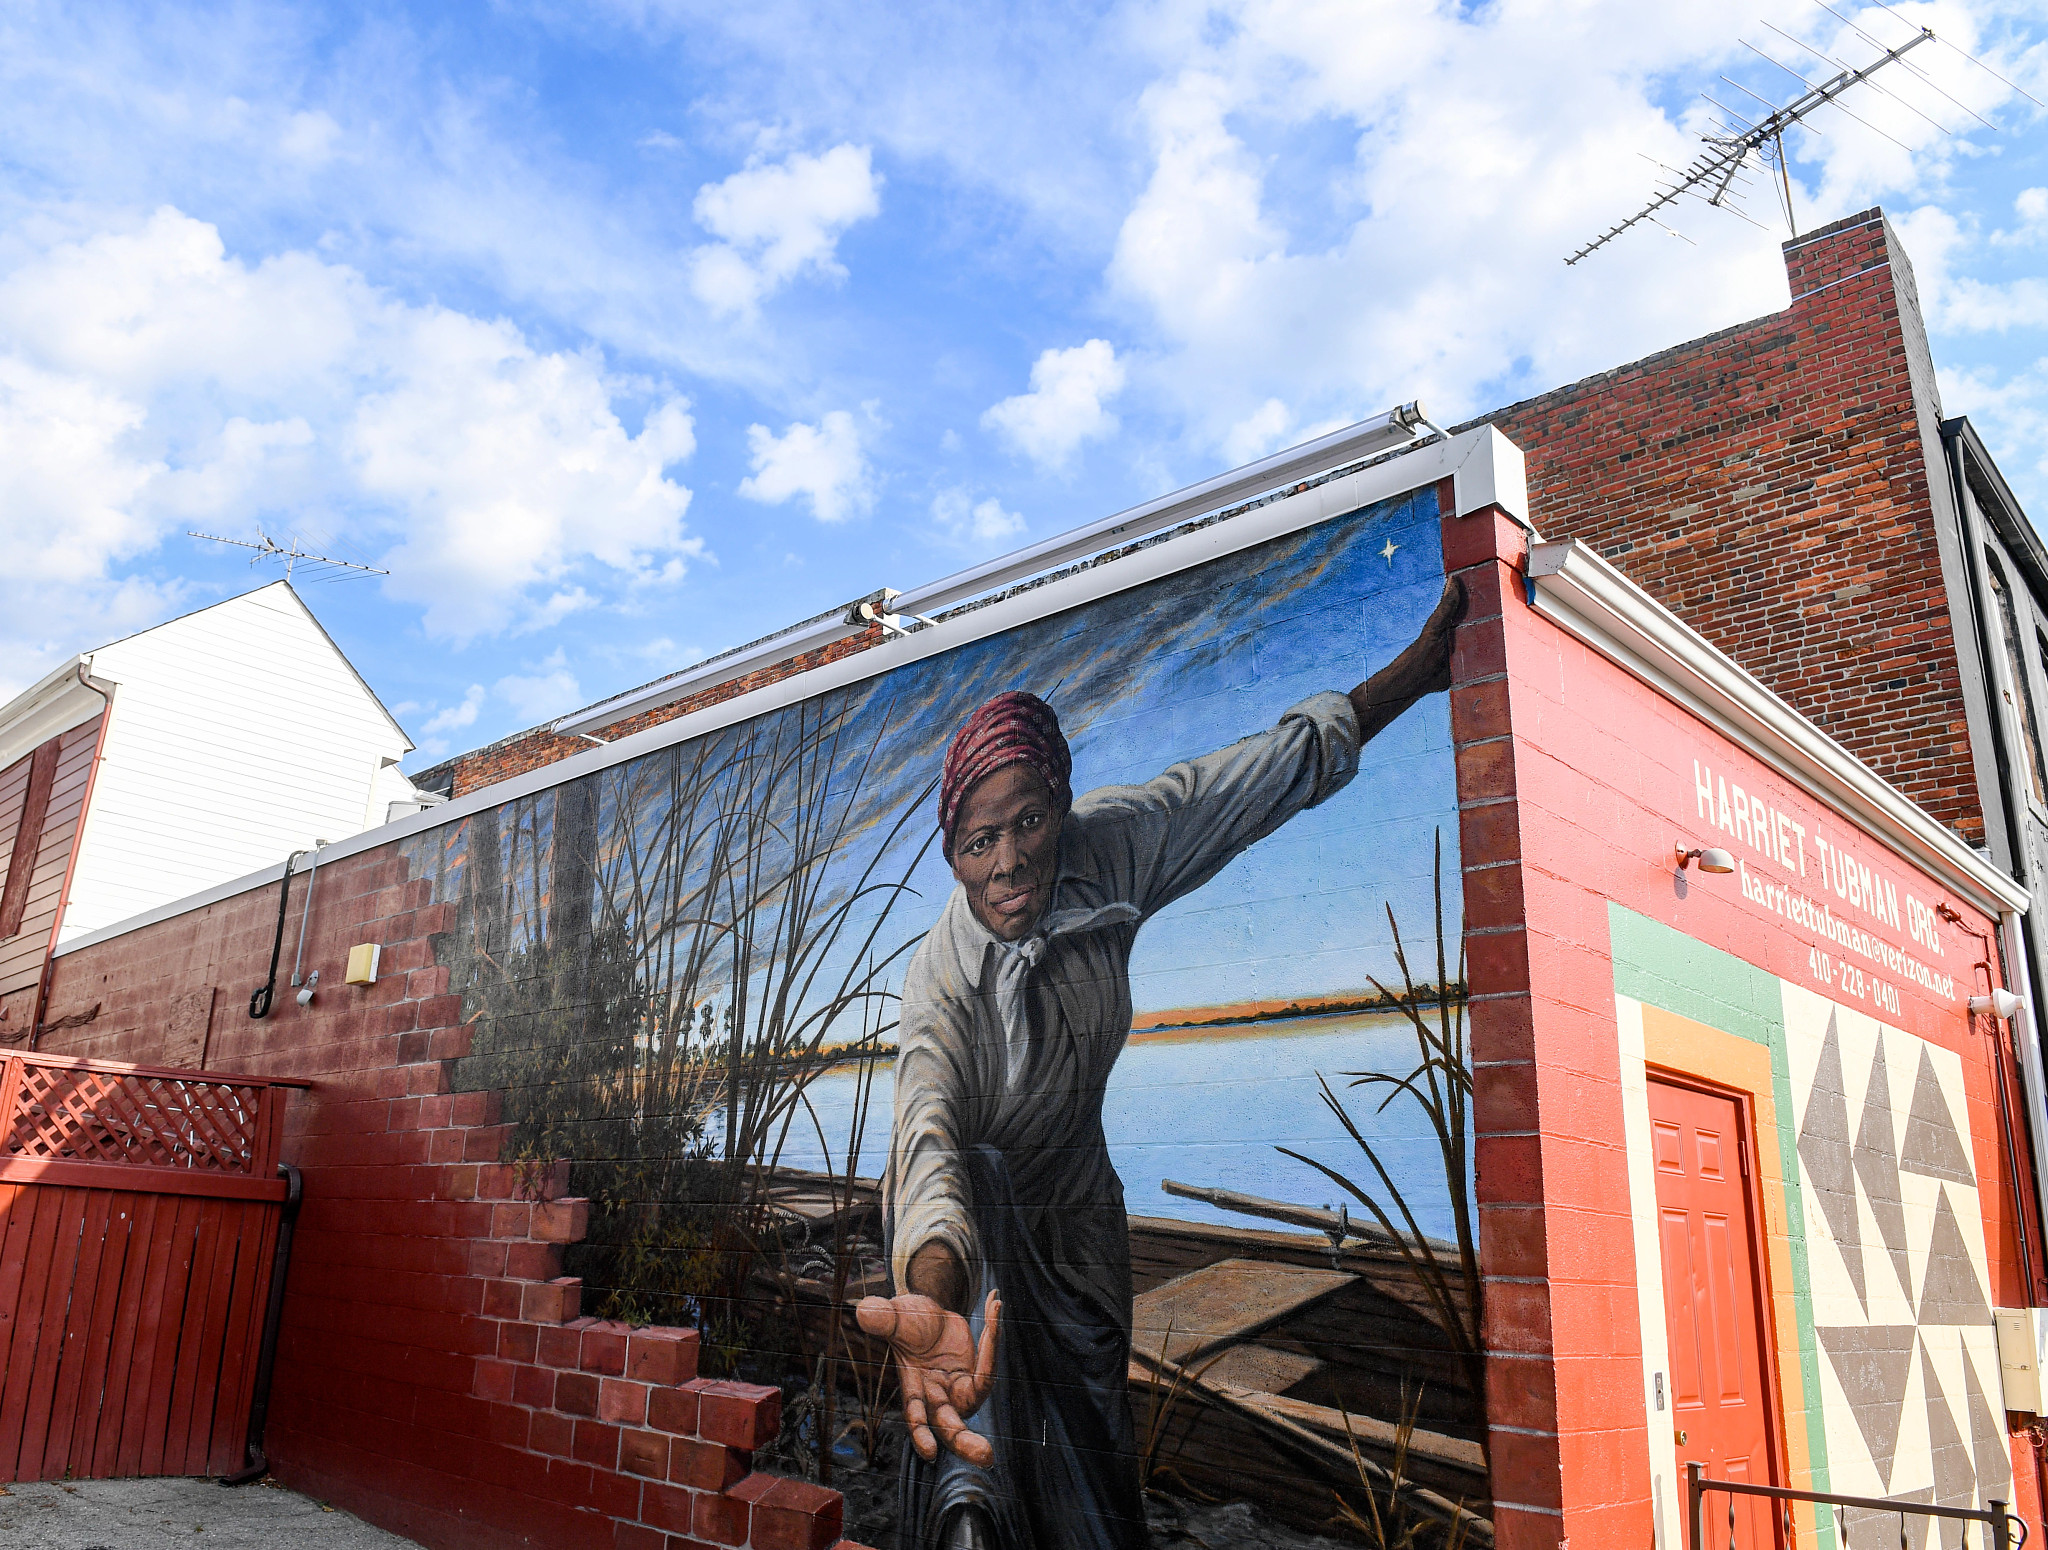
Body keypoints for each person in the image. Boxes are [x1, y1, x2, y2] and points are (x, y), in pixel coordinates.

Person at [857, 574, 1464, 1550]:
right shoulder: (941, 982)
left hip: (1078, 1212)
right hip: (970, 1226)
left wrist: (1407, 678)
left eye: (1026, 822)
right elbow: (926, 1144)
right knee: (980, 1406)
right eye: (979, 841)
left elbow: (1256, 778)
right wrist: (929, 1294)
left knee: (1094, 1440)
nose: (1008, 860)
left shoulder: (1115, 843)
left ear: (1061, 804)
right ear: (954, 856)